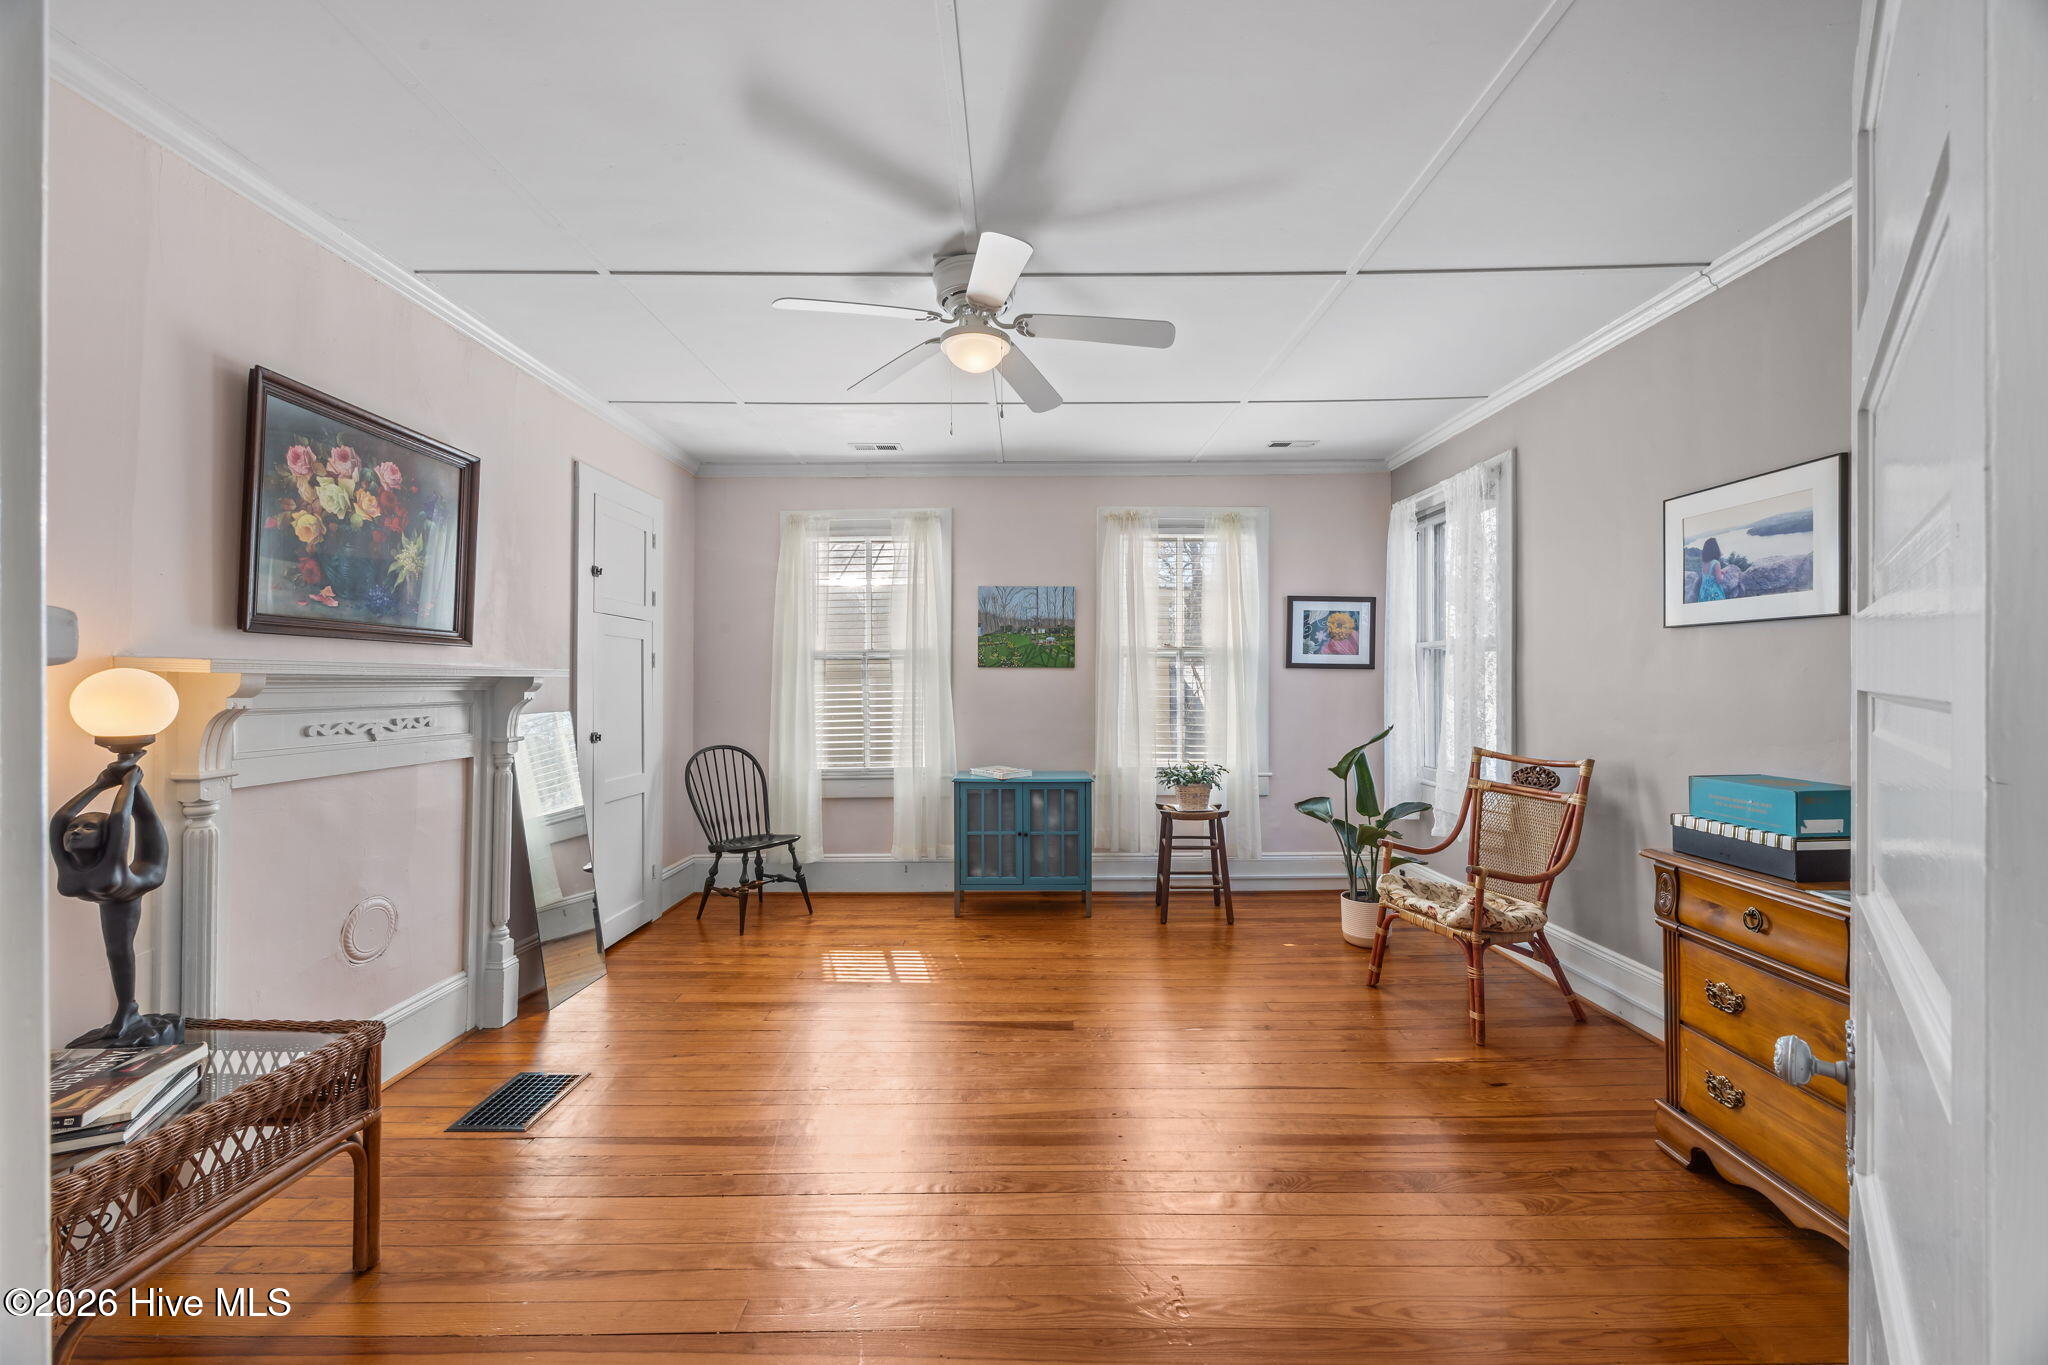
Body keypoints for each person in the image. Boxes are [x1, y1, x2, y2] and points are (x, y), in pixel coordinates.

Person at [1696, 538, 1728, 602]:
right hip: (1713, 593)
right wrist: (1723, 574)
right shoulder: (1715, 563)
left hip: (1703, 593)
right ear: (1715, 549)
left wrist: (1720, 571)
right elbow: (1719, 580)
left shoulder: (1704, 563)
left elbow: (1709, 575)